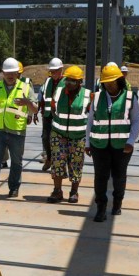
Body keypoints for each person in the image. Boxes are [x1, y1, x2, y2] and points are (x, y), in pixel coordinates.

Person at [87, 63, 139, 221]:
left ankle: (117, 203)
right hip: (99, 146)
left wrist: (131, 141)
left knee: (119, 177)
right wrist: (88, 144)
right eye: (106, 83)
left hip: (122, 146)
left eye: (112, 82)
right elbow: (90, 121)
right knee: (100, 177)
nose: (109, 85)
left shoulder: (130, 97)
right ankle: (101, 208)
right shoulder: (97, 97)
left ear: (119, 80)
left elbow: (136, 121)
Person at [0, 58, 36, 199]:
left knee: (16, 162)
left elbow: (35, 109)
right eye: (7, 72)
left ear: (17, 73)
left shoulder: (26, 88)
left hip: (17, 132)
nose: (10, 75)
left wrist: (27, 102)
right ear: (2, 72)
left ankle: (14, 188)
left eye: (13, 72)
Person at [48, 65, 90, 204]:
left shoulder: (87, 95)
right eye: (67, 80)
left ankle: (74, 192)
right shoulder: (59, 92)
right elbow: (53, 108)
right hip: (58, 134)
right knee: (57, 162)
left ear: (79, 82)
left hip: (78, 137)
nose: (69, 83)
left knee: (76, 164)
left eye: (73, 81)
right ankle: (57, 191)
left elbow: (91, 116)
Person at [39, 58, 64, 171]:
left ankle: (57, 162)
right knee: (46, 138)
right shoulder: (48, 81)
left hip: (60, 117)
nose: (53, 74)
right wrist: (39, 111)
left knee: (58, 140)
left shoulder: (65, 81)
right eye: (51, 71)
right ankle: (49, 158)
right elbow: (43, 97)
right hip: (48, 115)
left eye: (55, 71)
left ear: (61, 69)